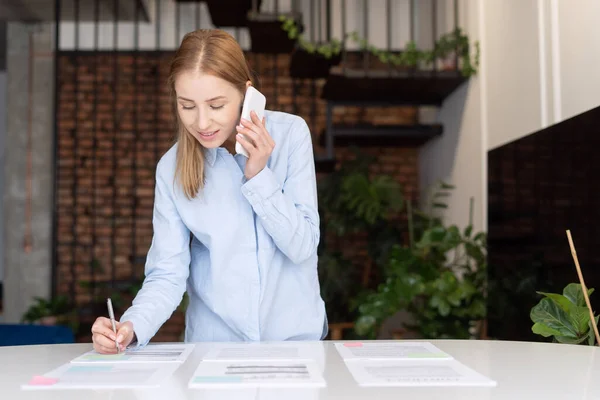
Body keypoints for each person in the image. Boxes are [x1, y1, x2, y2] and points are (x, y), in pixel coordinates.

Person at [90, 29, 327, 353]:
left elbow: (301, 247)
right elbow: (167, 273)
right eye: (187, 105)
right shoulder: (171, 168)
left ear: (246, 93)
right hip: (213, 351)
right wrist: (131, 326)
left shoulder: (291, 135)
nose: (202, 122)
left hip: (295, 348)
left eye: (216, 105)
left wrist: (258, 175)